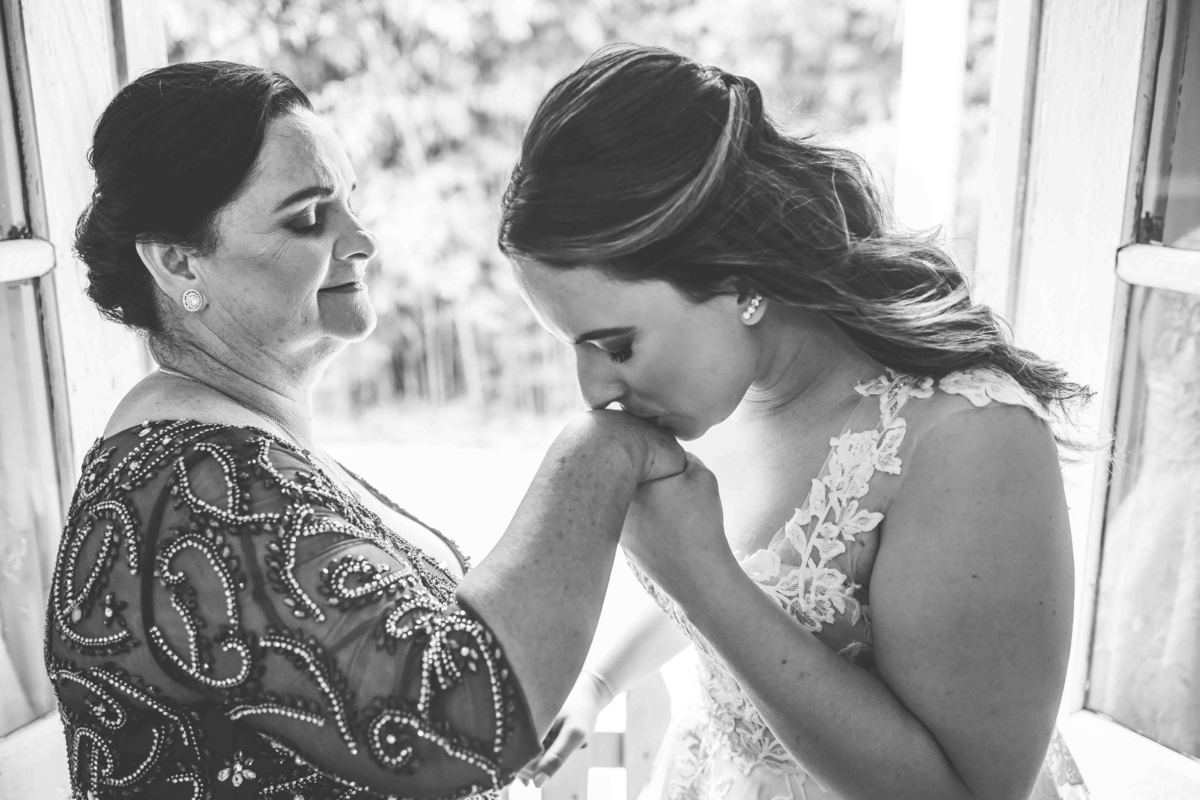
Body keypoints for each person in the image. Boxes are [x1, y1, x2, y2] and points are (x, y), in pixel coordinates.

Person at [44, 60, 694, 799]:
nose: (361, 241)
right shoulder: (197, 487)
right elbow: (455, 720)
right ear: (176, 262)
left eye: (350, 203)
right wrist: (599, 452)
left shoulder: (236, 445)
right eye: (306, 218)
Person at [499, 45, 1093, 800]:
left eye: (616, 346)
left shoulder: (968, 441)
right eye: (574, 349)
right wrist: (597, 682)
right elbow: (773, 592)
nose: (593, 391)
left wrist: (701, 578)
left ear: (738, 279)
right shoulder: (713, 396)